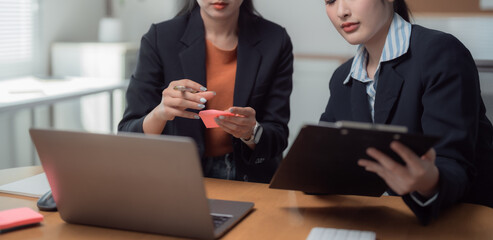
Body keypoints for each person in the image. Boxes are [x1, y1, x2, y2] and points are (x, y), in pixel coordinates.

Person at [320, 0, 493, 225]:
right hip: (383, 220)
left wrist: (427, 182)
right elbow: (320, 160)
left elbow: (454, 166)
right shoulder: (342, 78)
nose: (341, 11)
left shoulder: (440, 52)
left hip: (460, 222)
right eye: (330, 0)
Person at [118, 0, 293, 183]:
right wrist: (160, 113)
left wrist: (252, 132)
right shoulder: (160, 38)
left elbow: (278, 136)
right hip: (178, 177)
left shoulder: (275, 40)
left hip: (251, 177)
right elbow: (128, 134)